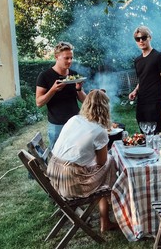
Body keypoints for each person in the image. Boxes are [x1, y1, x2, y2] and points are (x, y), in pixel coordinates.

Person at [47, 89, 118, 233]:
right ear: (105, 108)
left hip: (53, 176)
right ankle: (107, 217)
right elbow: (101, 163)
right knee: (110, 163)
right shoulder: (99, 131)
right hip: (70, 183)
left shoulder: (74, 119)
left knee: (103, 167)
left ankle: (106, 217)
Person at [36, 41, 86, 148]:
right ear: (57, 57)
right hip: (57, 125)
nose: (70, 61)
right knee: (57, 159)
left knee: (76, 155)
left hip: (75, 122)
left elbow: (84, 101)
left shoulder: (74, 74)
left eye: (71, 58)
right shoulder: (45, 76)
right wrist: (53, 90)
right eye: (66, 58)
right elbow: (39, 103)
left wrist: (78, 89)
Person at [128, 26, 161, 134]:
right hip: (141, 103)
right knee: (143, 137)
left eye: (143, 37)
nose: (141, 41)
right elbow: (142, 79)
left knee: (155, 137)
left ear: (149, 38)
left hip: (155, 103)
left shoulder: (159, 57)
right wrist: (135, 90)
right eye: (138, 39)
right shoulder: (137, 60)